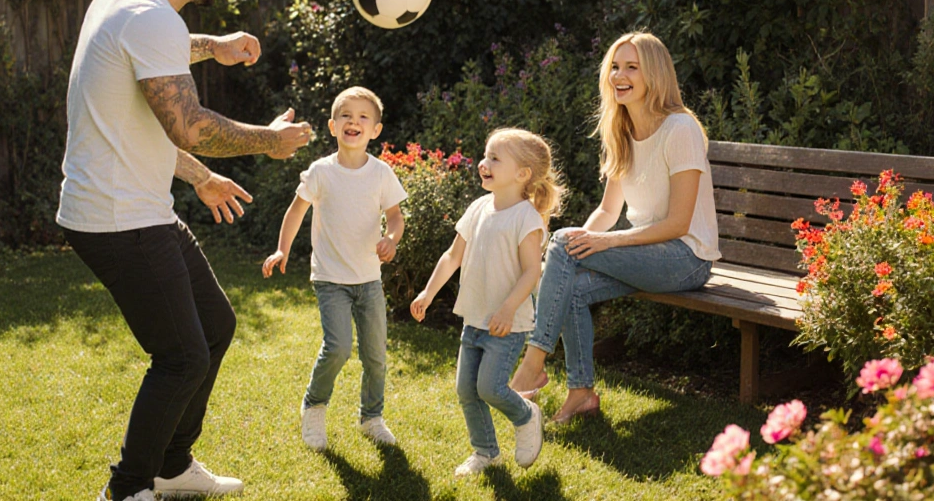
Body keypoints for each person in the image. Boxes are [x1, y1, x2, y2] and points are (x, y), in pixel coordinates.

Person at [56, 0, 313, 501]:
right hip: (118, 220)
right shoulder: (150, 17)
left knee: (215, 326)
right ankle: (127, 489)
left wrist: (213, 50)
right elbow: (189, 126)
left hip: (137, 208)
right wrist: (269, 142)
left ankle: (171, 467)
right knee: (181, 357)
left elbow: (148, 73)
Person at [508, 31, 720, 425]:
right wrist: (580, 245)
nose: (619, 76)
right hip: (645, 254)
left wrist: (600, 242)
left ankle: (533, 362)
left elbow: (678, 223)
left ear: (655, 74)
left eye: (632, 68)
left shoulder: (680, 129)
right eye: (615, 67)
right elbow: (607, 211)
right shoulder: (621, 131)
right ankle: (581, 393)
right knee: (569, 276)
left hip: (686, 258)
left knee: (563, 244)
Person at [409, 128, 564, 476]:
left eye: (495, 158)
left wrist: (507, 309)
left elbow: (531, 271)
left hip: (507, 324)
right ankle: (486, 452)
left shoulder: (526, 218)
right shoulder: (478, 207)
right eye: (485, 155)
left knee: (490, 388)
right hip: (474, 319)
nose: (484, 163)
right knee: (467, 390)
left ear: (522, 174)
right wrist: (428, 293)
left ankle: (525, 415)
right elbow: (453, 256)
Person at [262, 87, 407, 452]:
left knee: (375, 355)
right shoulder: (321, 172)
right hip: (330, 279)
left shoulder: (381, 173)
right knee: (339, 347)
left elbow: (395, 216)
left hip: (369, 280)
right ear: (332, 126)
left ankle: (372, 417)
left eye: (363, 117)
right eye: (346, 115)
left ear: (375, 130)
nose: (353, 122)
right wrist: (282, 249)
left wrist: (391, 238)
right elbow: (296, 211)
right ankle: (314, 406)